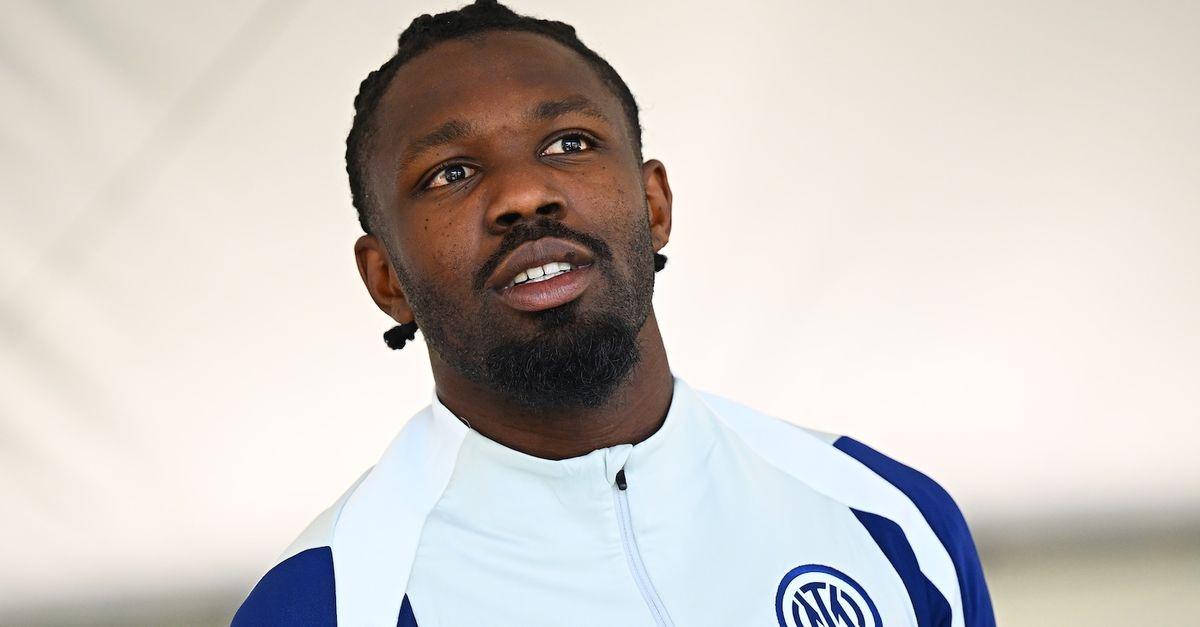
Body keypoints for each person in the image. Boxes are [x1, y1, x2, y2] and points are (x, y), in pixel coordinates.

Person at [234, 1, 995, 625]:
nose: (523, 195)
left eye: (569, 142)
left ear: (655, 204)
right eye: (450, 172)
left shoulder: (887, 517)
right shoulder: (324, 603)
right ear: (386, 278)